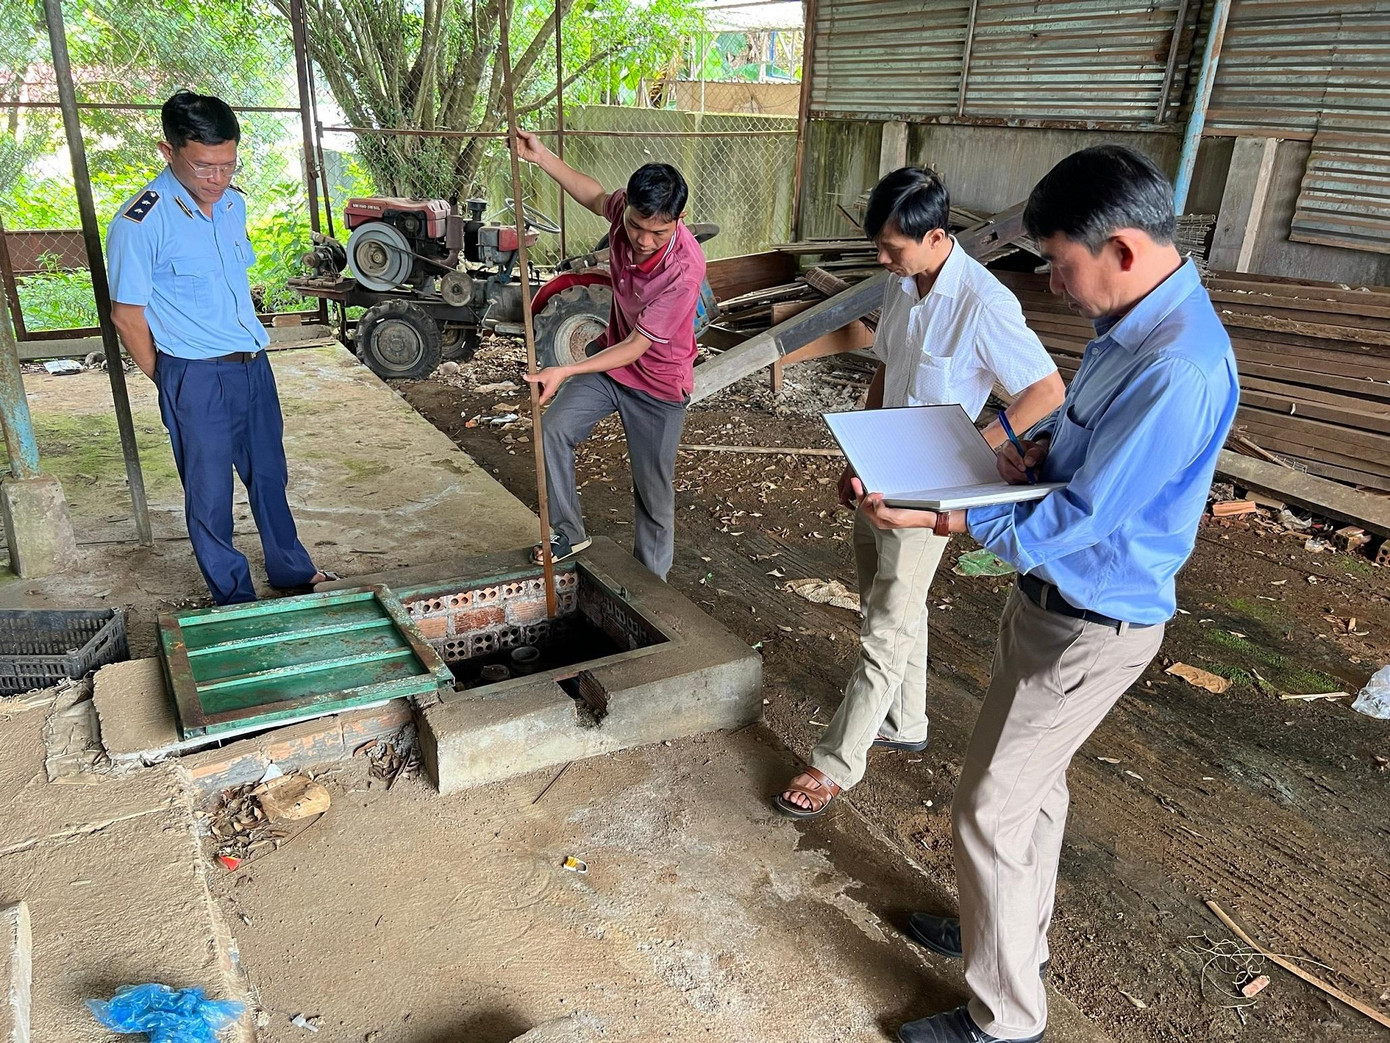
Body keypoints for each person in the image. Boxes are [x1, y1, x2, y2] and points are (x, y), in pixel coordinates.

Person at [857, 147, 1239, 1043]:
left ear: (1126, 249)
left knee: (989, 807)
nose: (1057, 286)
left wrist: (948, 523)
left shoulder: (1176, 367)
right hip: (1054, 606)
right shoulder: (1132, 327)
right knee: (1033, 792)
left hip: (1091, 620)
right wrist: (1028, 449)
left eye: (1064, 266)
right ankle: (1009, 931)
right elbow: (1072, 439)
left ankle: (1007, 1021)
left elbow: (1087, 517)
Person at [774, 166, 1065, 819]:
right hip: (882, 470)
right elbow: (884, 372)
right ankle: (905, 720)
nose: (882, 258)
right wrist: (857, 454)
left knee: (884, 628)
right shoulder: (901, 285)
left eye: (893, 247)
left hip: (931, 489)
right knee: (894, 604)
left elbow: (1046, 391)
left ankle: (834, 764)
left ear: (936, 236)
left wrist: (975, 449)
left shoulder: (984, 304)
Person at [107, 90, 333, 605]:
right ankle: (233, 596)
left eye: (228, 165)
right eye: (205, 167)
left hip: (253, 365)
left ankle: (291, 567)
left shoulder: (233, 204)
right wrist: (168, 377)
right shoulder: (141, 222)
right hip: (194, 374)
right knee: (209, 493)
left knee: (269, 474)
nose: (218, 179)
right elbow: (127, 315)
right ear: (168, 152)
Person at [512, 131, 706, 581]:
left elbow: (638, 346)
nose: (641, 239)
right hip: (611, 370)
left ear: (679, 220)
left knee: (653, 497)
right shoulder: (625, 213)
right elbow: (594, 194)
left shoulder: (684, 270)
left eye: (657, 232)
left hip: (658, 385)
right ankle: (568, 531)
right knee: (553, 427)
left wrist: (565, 368)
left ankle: (650, 587)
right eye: (637, 226)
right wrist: (541, 157)